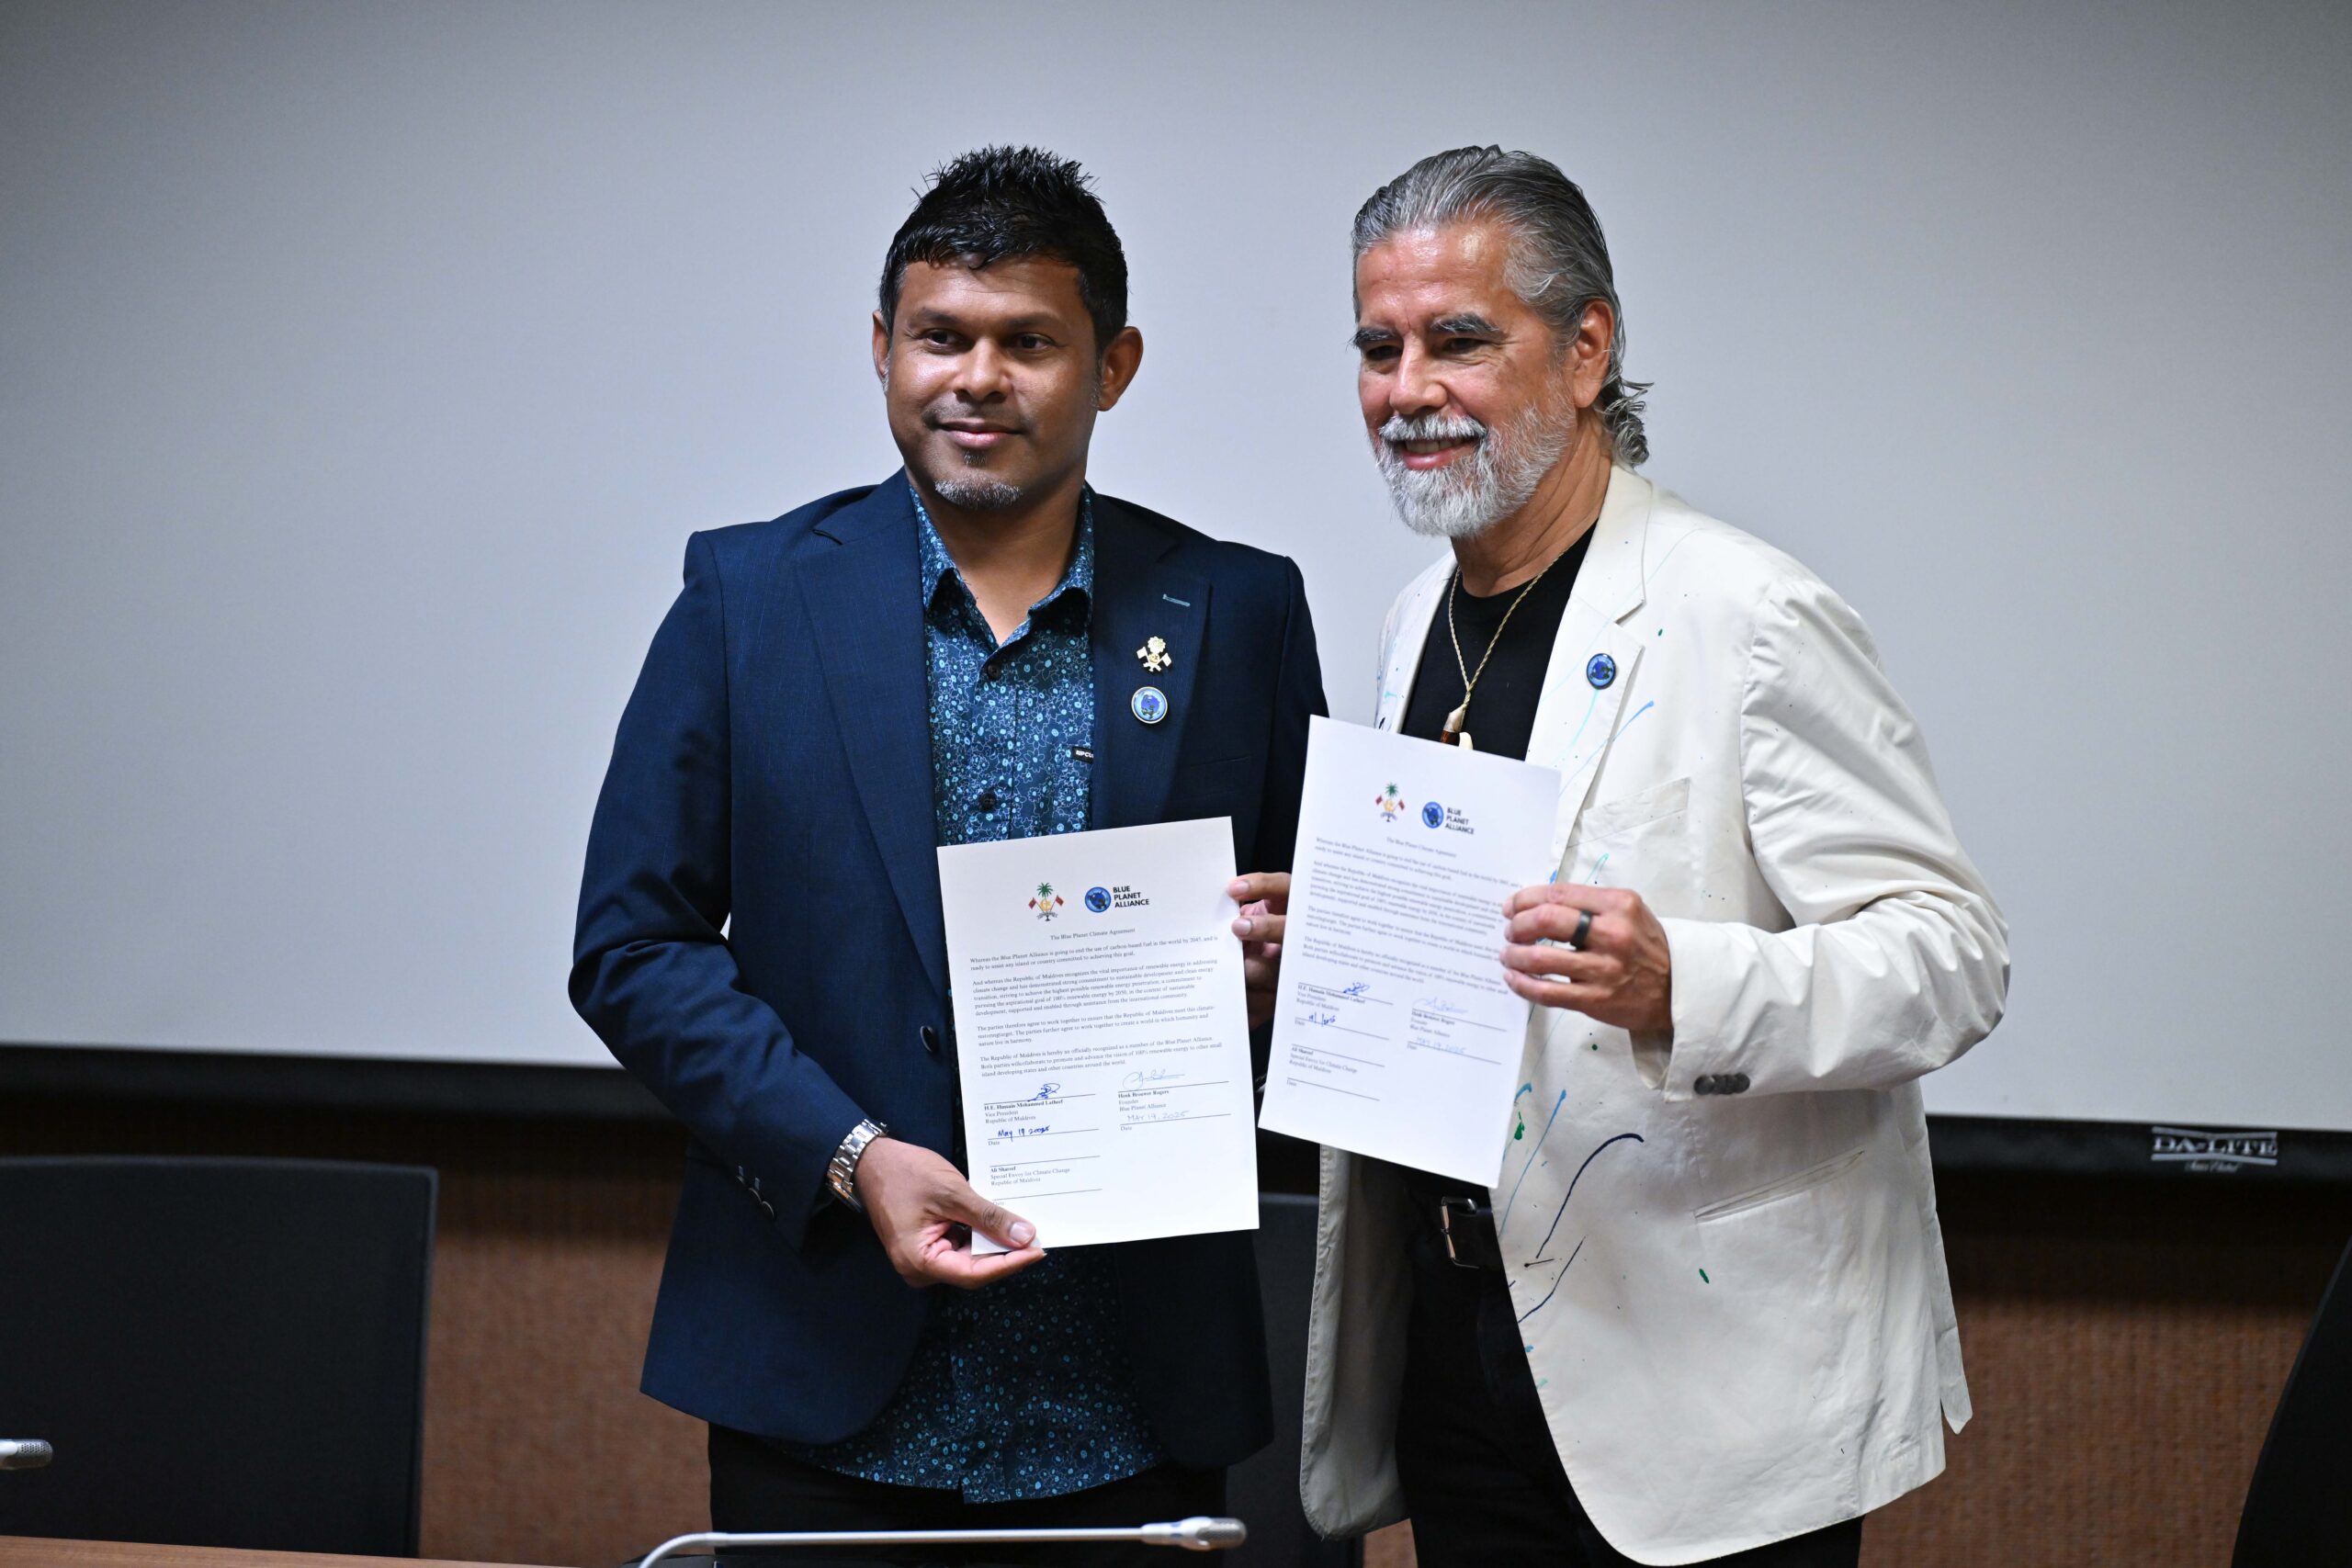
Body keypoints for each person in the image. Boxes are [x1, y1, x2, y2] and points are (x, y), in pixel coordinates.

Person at [571, 146, 1325, 1563]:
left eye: (1029, 342)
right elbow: (631, 947)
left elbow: (1310, 956)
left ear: (1113, 366)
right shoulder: (748, 597)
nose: (977, 378)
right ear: (882, 349)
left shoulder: (1239, 611)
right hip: (826, 1373)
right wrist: (851, 1156)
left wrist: (1292, 971)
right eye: (941, 336)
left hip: (1131, 1395)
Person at [1283, 147, 2009, 1566]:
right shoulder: (1415, 616)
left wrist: (1685, 986)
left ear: (1586, 350)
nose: (1408, 388)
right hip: (1463, 1348)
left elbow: (1952, 958)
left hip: (1706, 1385)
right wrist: (1323, 941)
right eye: (1379, 347)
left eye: (1459, 340)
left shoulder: (1751, 612)